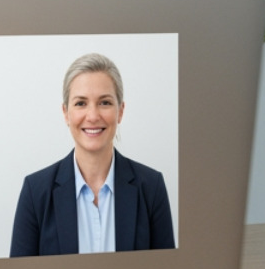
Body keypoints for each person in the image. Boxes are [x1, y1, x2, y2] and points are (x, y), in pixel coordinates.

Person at [9, 53, 175, 256]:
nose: (93, 116)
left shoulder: (151, 187)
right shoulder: (35, 192)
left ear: (120, 111)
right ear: (65, 113)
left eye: (104, 102)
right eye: (80, 103)